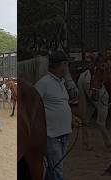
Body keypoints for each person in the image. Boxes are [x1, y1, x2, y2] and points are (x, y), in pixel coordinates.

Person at [34, 51, 73, 180]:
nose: (67, 68)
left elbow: (62, 104)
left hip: (64, 133)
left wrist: (73, 117)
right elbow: (32, 105)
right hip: (52, 136)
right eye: (65, 64)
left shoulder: (60, 82)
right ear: (60, 65)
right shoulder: (43, 84)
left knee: (53, 169)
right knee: (57, 170)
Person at [78, 65, 111, 151]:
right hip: (94, 84)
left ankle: (86, 141)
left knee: (87, 113)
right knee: (101, 121)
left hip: (83, 78)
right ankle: (108, 143)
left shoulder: (84, 75)